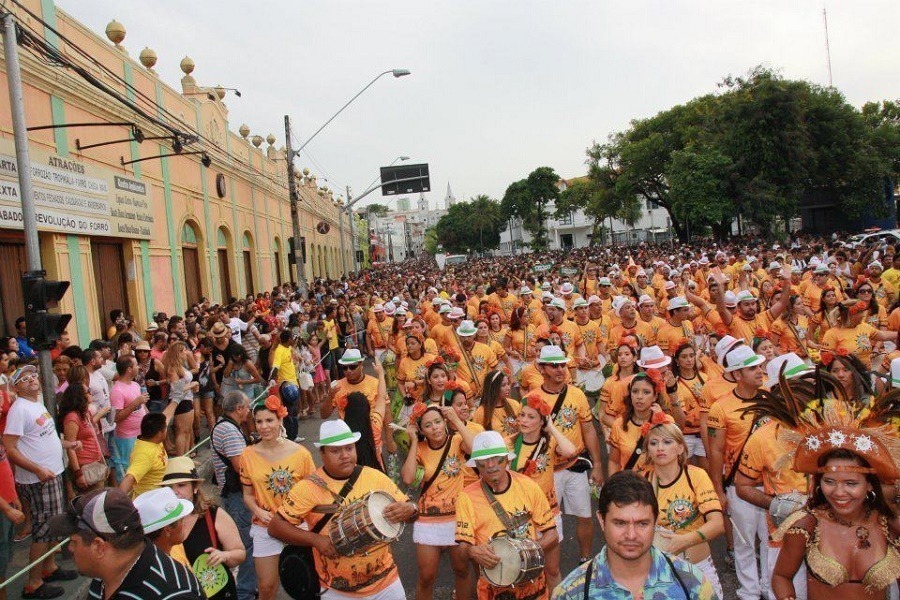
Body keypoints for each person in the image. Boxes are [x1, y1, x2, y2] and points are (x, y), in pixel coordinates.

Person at [740, 369, 900, 600]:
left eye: (851, 483)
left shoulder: (888, 523)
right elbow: (782, 576)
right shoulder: (806, 525)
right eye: (829, 481)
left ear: (870, 485)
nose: (839, 492)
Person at [268, 419, 418, 600]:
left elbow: (410, 513)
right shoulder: (307, 488)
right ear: (322, 454)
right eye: (335, 450)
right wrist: (315, 540)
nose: (345, 455)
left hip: (386, 584)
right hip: (337, 591)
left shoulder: (374, 477)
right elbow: (275, 527)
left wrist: (410, 508)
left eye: (349, 448)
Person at [552, 470, 718, 599]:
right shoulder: (573, 593)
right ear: (601, 520)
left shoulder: (690, 583)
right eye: (620, 523)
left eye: (642, 524)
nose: (631, 535)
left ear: (656, 521)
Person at [3, 366, 79, 599]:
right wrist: (37, 469)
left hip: (52, 473)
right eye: (24, 379)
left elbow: (43, 436)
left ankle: (49, 568)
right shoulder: (19, 409)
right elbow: (10, 447)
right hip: (39, 479)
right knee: (43, 531)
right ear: (16, 387)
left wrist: (67, 446)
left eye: (33, 375)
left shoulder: (37, 403)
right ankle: (33, 583)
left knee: (53, 526)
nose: (32, 380)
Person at [455, 430, 558, 600]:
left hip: (534, 587)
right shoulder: (466, 497)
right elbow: (462, 549)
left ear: (507, 460)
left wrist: (525, 556)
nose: (490, 465)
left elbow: (552, 534)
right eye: (483, 462)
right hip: (494, 590)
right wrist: (473, 551)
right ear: (476, 466)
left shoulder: (528, 486)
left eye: (496, 458)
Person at [49, 487, 203, 599]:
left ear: (99, 547)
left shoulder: (170, 594)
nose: (70, 548)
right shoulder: (105, 574)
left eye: (74, 542)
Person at [531, 345, 604, 563]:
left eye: (562, 365)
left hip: (574, 466)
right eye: (554, 366)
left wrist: (598, 464)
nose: (560, 370)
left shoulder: (577, 394)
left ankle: (585, 559)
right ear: (542, 369)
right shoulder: (534, 398)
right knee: (546, 521)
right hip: (547, 472)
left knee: (584, 515)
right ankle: (547, 566)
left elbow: (589, 429)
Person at [707, 344, 769, 600]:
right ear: (737, 374)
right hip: (738, 486)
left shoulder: (770, 398)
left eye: (759, 366)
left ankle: (768, 586)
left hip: (771, 484)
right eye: (752, 368)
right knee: (744, 542)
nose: (759, 371)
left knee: (770, 541)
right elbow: (716, 452)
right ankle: (749, 591)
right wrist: (718, 490)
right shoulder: (720, 408)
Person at [239, 395, 315, 600]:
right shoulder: (247, 455)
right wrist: (258, 512)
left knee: (306, 584)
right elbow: (247, 495)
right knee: (266, 586)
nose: (264, 426)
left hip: (298, 526)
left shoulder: (302, 454)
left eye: (269, 420)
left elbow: (314, 493)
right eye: (259, 421)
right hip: (265, 528)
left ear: (280, 420)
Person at [641, 416, 724, 597]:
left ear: (680, 448)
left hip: (699, 567)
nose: (660, 448)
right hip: (660, 571)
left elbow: (717, 523)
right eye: (654, 443)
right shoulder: (642, 481)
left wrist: (683, 541)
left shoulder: (696, 476)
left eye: (667, 442)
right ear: (648, 449)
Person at [400, 403, 476, 599]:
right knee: (426, 576)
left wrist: (456, 421)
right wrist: (414, 442)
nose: (434, 428)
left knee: (461, 570)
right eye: (428, 425)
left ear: (444, 422)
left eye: (437, 422)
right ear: (422, 430)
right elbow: (408, 478)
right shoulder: (421, 449)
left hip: (457, 518)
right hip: (428, 520)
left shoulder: (457, 441)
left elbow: (476, 450)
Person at [511, 392, 578, 589]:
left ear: (542, 421)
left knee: (552, 570)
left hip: (548, 513)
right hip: (519, 516)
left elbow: (570, 451)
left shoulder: (550, 443)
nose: (524, 420)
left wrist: (551, 428)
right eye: (522, 415)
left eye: (531, 417)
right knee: (521, 573)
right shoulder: (509, 443)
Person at [163, 456, 246, 600]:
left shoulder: (214, 515)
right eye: (169, 487)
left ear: (194, 488)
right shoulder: (161, 524)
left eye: (181, 485)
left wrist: (225, 556)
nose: (175, 492)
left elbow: (240, 554)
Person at [211, 391, 256, 599]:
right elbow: (240, 467)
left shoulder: (225, 426)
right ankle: (246, 591)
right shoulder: (229, 430)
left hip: (233, 494)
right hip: (237, 496)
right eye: (247, 407)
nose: (248, 411)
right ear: (238, 408)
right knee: (245, 544)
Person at [58, 381, 107, 492]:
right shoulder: (72, 417)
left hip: (95, 464)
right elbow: (71, 447)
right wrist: (78, 473)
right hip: (84, 468)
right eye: (88, 392)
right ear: (79, 396)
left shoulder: (84, 413)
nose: (91, 393)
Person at [118, 405, 176, 496]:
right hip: (149, 503)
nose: (167, 430)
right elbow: (129, 478)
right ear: (160, 433)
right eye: (165, 428)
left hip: (160, 497)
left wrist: (176, 400)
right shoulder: (144, 454)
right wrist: (117, 502)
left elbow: (166, 417)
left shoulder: (154, 439)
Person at [110, 355, 149, 481]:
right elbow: (117, 417)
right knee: (129, 470)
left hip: (141, 433)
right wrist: (136, 403)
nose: (139, 367)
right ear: (129, 369)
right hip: (127, 438)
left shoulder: (135, 385)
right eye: (136, 365)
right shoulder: (117, 390)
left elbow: (142, 406)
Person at [134, 485, 194, 564]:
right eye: (181, 520)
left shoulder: (177, 548)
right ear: (168, 529)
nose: (183, 524)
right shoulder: (159, 568)